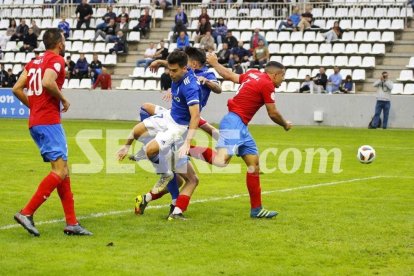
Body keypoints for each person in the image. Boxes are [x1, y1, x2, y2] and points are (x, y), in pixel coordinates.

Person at [11, 28, 92, 236]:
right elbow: (48, 82)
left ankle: (72, 223)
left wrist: (34, 107)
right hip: (49, 122)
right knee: (59, 171)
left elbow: (16, 88)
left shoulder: (34, 61)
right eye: (63, 40)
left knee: (63, 171)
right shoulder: (56, 60)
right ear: (60, 44)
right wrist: (63, 98)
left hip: (36, 122)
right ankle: (26, 212)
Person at [131, 47, 221, 217]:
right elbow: (175, 67)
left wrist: (206, 81)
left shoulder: (206, 74)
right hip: (179, 123)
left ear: (192, 64)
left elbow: (218, 88)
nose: (174, 71)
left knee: (179, 178)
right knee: (190, 178)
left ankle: (147, 198)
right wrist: (159, 62)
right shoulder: (185, 75)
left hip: (184, 122)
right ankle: (175, 209)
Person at [205, 53, 292, 219]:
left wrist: (215, 63)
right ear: (275, 74)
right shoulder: (267, 84)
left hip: (241, 125)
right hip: (233, 122)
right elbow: (272, 113)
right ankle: (187, 150)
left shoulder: (252, 73)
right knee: (221, 161)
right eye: (283, 76)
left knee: (254, 164)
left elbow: (229, 75)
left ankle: (256, 209)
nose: (283, 80)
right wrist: (285, 124)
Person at [117, 50, 201, 220]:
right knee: (138, 128)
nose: (170, 74)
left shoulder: (191, 87)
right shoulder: (181, 70)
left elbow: (196, 116)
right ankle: (167, 196)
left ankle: (167, 185)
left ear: (184, 69)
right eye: (169, 70)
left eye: (174, 71)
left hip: (179, 128)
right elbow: (173, 65)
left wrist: (188, 143)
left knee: (152, 152)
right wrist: (160, 62)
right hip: (169, 116)